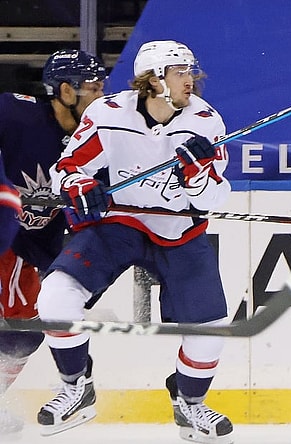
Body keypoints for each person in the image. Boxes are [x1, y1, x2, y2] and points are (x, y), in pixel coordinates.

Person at [34, 40, 234, 444]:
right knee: (55, 296)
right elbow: (68, 168)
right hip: (119, 222)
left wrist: (197, 177)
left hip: (179, 231)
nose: (190, 80)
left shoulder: (206, 122)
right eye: (180, 72)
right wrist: (78, 185)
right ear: (154, 79)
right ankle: (77, 387)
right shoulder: (108, 114)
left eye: (190, 72)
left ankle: (189, 404)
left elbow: (214, 199)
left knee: (211, 329)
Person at [0, 49, 106, 434]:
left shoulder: (100, 136)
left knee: (22, 338)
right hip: (3, 236)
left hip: (32, 248)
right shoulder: (16, 114)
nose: (101, 97)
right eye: (93, 89)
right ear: (65, 91)